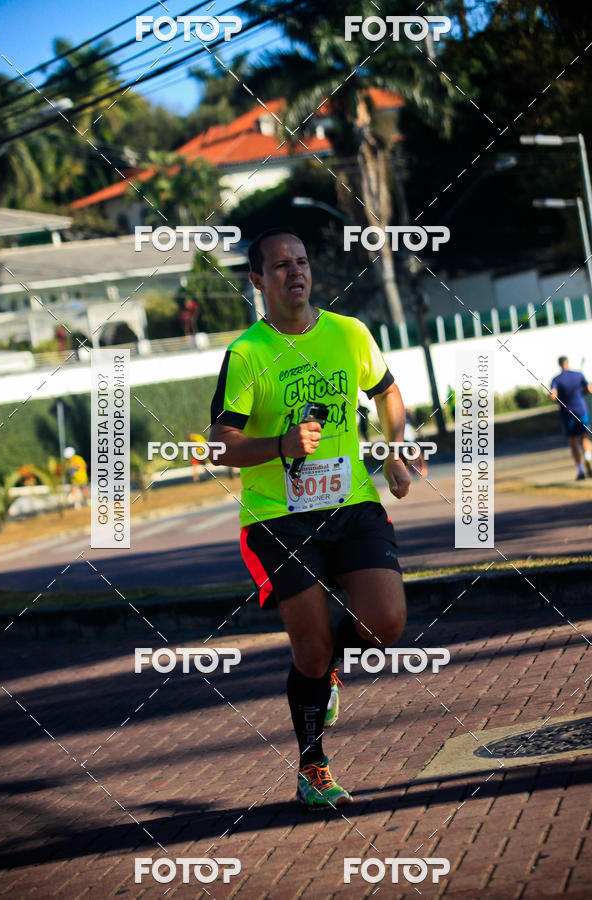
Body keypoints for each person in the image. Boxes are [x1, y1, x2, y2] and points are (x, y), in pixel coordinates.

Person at [209, 228, 411, 809]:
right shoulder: (248, 353)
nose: (294, 272)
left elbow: (387, 391)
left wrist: (393, 451)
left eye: (301, 262)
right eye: (279, 265)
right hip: (278, 520)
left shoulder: (349, 334)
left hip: (351, 504)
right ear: (257, 280)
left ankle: (327, 678)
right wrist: (281, 445)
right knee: (312, 647)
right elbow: (221, 442)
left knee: (387, 621)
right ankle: (312, 766)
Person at [550, 356, 592, 480]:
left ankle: (580, 470)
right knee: (584, 437)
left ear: (559, 365)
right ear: (568, 363)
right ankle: (588, 458)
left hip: (567, 413)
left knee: (573, 442)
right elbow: (589, 389)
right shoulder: (578, 375)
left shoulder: (556, 379)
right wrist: (582, 393)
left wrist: (554, 398)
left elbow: (553, 396)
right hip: (581, 410)